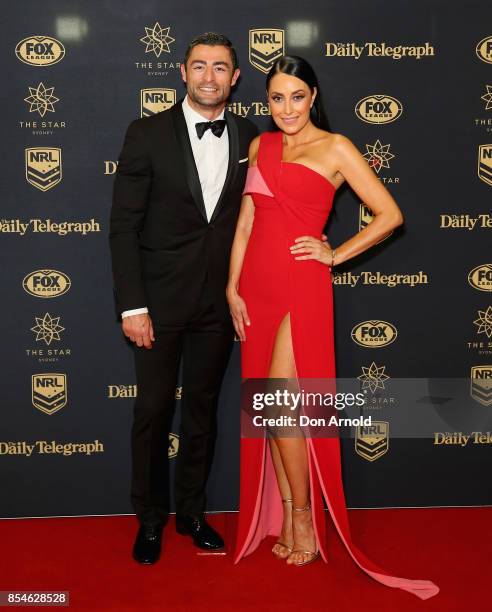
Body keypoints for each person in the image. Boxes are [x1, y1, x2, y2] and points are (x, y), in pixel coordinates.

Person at [227, 55, 439, 599]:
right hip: (256, 287)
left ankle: (303, 517)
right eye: (277, 98)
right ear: (266, 101)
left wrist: (335, 254)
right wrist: (231, 287)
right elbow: (247, 222)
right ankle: (293, 512)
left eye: (297, 96)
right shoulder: (260, 146)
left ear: (313, 96)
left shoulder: (338, 147)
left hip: (302, 287)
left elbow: (390, 214)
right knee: (266, 408)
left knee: (279, 402)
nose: (287, 108)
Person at [109, 32, 258, 565]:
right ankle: (150, 518)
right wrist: (133, 306)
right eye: (200, 66)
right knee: (152, 412)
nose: (209, 77)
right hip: (158, 304)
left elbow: (254, 221)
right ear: (182, 71)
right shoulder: (145, 133)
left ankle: (192, 514)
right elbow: (123, 227)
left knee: (202, 412)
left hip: (218, 304)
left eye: (221, 68)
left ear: (235, 77)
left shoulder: (250, 134)